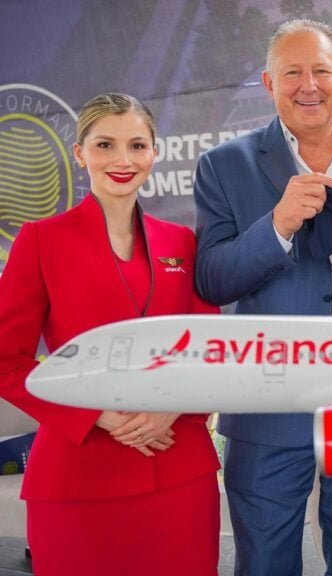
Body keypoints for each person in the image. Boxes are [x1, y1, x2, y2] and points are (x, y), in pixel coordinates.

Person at [192, 19, 332, 576]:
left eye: (320, 71)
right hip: (268, 403)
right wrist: (279, 225)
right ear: (269, 83)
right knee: (264, 563)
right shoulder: (224, 165)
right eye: (292, 72)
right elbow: (212, 279)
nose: (307, 85)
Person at [0, 93, 221, 575]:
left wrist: (174, 405)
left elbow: (212, 348)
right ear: (80, 154)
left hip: (177, 469)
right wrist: (95, 416)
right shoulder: (40, 241)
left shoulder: (183, 242)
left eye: (137, 145)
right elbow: (6, 361)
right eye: (105, 145)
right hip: (79, 474)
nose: (123, 161)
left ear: (154, 153)